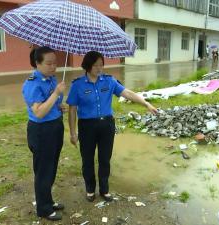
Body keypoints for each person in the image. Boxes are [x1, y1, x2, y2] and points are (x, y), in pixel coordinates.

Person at [67, 51, 157, 202]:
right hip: (87, 126)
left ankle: (104, 189)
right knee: (87, 159)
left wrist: (146, 103)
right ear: (87, 66)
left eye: (101, 65)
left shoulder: (109, 81)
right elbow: (72, 109)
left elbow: (127, 93)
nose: (99, 68)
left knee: (105, 159)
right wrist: (72, 132)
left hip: (106, 125)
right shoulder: (77, 85)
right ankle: (90, 189)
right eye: (95, 65)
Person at [22, 46, 66, 221]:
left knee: (52, 166)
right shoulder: (32, 83)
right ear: (37, 63)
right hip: (41, 131)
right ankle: (44, 209)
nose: (53, 66)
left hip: (55, 127)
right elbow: (39, 112)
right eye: (49, 63)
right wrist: (56, 94)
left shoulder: (52, 79)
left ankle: (48, 200)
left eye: (55, 63)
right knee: (43, 170)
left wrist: (59, 106)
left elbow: (50, 105)